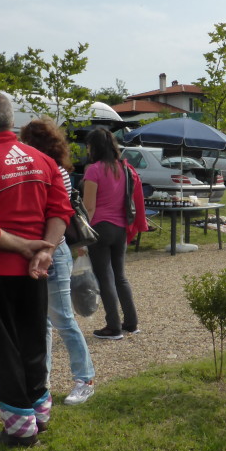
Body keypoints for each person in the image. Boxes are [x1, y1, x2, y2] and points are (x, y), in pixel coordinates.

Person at [0, 91, 74, 446]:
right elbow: (61, 210)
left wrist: (27, 247)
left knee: (0, 346)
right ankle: (38, 414)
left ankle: (21, 429)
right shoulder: (42, 159)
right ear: (12, 121)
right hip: (34, 269)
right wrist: (45, 250)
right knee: (33, 339)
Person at [19, 118, 96, 406]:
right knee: (42, 322)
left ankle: (84, 378)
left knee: (62, 318)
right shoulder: (42, 169)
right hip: (41, 250)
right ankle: (43, 381)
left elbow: (57, 213)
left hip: (54, 250)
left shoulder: (56, 172)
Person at [82, 128, 144, 340]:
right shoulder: (124, 168)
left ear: (95, 147)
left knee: (105, 278)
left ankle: (113, 326)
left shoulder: (94, 170)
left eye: (89, 146)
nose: (87, 149)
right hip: (120, 229)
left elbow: (88, 207)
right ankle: (131, 322)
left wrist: (82, 236)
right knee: (120, 276)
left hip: (100, 227)